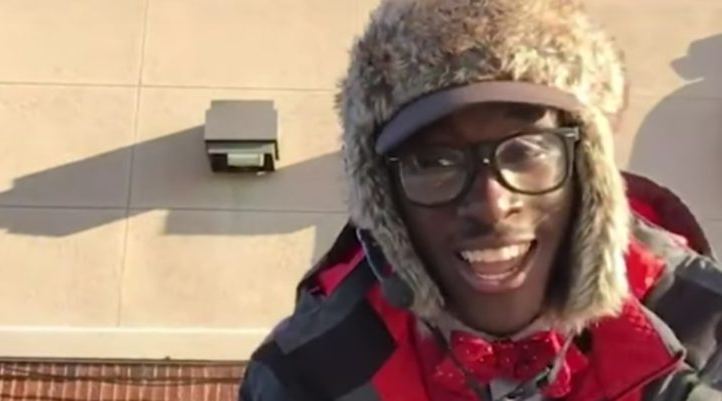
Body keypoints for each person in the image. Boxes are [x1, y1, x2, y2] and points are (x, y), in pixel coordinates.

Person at [238, 1, 722, 400]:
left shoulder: (708, 330)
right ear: (385, 201)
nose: (492, 206)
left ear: (587, 168)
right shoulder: (303, 378)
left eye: (527, 150)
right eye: (434, 162)